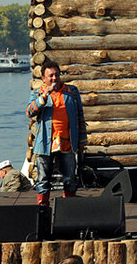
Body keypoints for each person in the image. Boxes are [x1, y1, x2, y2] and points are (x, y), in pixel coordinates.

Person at [26, 59, 87, 207]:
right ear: (43, 79)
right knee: (43, 179)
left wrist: (82, 139)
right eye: (51, 76)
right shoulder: (38, 93)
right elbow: (29, 112)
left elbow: (80, 115)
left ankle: (68, 209)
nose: (54, 78)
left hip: (67, 142)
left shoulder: (71, 92)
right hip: (45, 143)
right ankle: (43, 210)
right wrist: (44, 97)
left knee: (70, 178)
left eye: (57, 75)